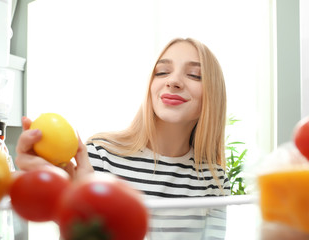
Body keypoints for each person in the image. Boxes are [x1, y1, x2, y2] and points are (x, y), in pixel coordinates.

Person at [15, 37, 230, 239]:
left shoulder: (214, 179)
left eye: (194, 75)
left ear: (213, 94)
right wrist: (68, 204)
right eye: (162, 72)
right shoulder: (100, 156)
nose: (173, 81)